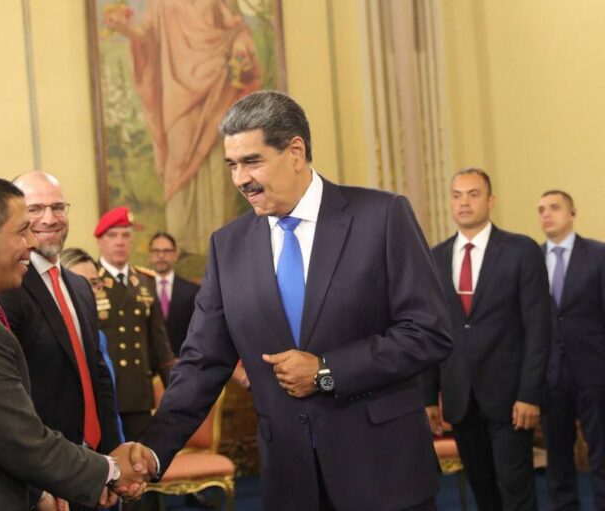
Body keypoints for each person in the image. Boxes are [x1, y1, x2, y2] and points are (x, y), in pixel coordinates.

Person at [128, 90, 453, 510]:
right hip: (291, 480)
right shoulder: (228, 246)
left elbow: (429, 332)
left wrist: (326, 371)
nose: (240, 179)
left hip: (384, 473)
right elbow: (201, 362)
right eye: (232, 165)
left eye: (252, 161)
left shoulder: (382, 216)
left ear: (295, 152)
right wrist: (152, 451)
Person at [0, 175, 149, 510]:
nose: (32, 241)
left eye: (58, 207)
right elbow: (15, 437)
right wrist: (109, 471)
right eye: (22, 230)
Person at [423, 168, 552, 511]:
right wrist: (428, 397)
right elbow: (431, 331)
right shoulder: (435, 257)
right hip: (460, 399)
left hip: (511, 400)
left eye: (473, 194)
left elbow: (539, 328)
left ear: (491, 200)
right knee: (484, 493)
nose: (464, 202)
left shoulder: (520, 250)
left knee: (516, 493)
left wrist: (530, 394)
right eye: (457, 196)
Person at [0, 171, 123, 511]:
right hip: (48, 477)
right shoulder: (7, 288)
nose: (49, 219)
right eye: (35, 209)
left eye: (57, 207)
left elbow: (98, 375)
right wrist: (38, 485)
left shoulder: (80, 287)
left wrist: (112, 457)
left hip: (95, 464)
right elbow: (12, 396)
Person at [103, 0, 262, 254]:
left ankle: (222, 243)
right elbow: (147, 36)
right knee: (177, 159)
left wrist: (240, 46)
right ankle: (181, 241)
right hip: (177, 95)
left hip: (217, 83)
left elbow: (236, 27)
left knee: (216, 158)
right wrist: (125, 29)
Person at [538, 190, 605, 510]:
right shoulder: (532, 260)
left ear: (573, 213)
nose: (546, 214)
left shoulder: (598, 254)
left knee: (601, 451)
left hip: (594, 370)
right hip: (550, 375)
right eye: (541, 210)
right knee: (558, 455)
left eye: (554, 207)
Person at [93, 207, 176, 441]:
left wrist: (174, 391)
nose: (120, 242)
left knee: (140, 458)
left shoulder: (145, 281)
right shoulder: (88, 280)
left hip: (138, 393)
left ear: (132, 241)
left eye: (125, 235)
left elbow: (160, 344)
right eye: (113, 235)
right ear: (100, 241)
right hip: (104, 392)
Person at [60, 246, 127, 443]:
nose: (91, 292)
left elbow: (108, 402)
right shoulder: (52, 338)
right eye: (80, 283)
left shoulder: (98, 336)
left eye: (95, 283)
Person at [148, 232, 200, 356]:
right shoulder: (139, 290)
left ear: (175, 255)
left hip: (183, 361)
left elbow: (197, 331)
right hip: (148, 363)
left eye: (166, 251)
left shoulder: (192, 291)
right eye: (156, 251)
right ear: (150, 255)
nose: (161, 256)